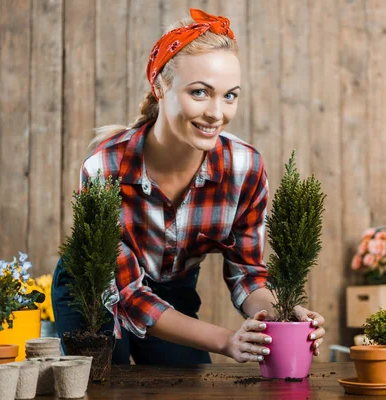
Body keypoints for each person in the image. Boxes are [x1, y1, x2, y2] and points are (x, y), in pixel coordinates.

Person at [52, 8, 325, 365]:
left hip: (172, 288)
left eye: (230, 96)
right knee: (105, 381)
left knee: (184, 384)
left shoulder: (245, 169)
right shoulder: (106, 168)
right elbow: (129, 294)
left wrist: (283, 314)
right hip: (95, 288)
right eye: (200, 93)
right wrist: (226, 341)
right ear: (160, 87)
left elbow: (247, 274)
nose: (217, 113)